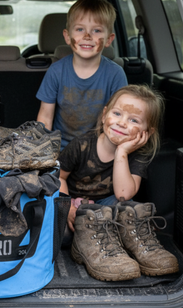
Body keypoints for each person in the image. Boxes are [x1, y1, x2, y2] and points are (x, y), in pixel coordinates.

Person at [58, 84, 164, 232]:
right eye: (117, 114)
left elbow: (123, 194)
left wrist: (122, 152)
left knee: (127, 206)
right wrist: (67, 207)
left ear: (147, 132)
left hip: (106, 205)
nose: (121, 123)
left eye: (134, 120)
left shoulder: (139, 155)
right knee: (62, 234)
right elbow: (59, 177)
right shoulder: (81, 145)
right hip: (73, 203)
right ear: (104, 115)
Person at [36, 0, 128, 150]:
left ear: (108, 40)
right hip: (61, 148)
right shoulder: (56, 71)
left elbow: (120, 121)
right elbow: (45, 117)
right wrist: (42, 150)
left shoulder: (115, 74)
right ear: (67, 36)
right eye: (80, 29)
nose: (87, 36)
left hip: (100, 148)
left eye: (96, 30)